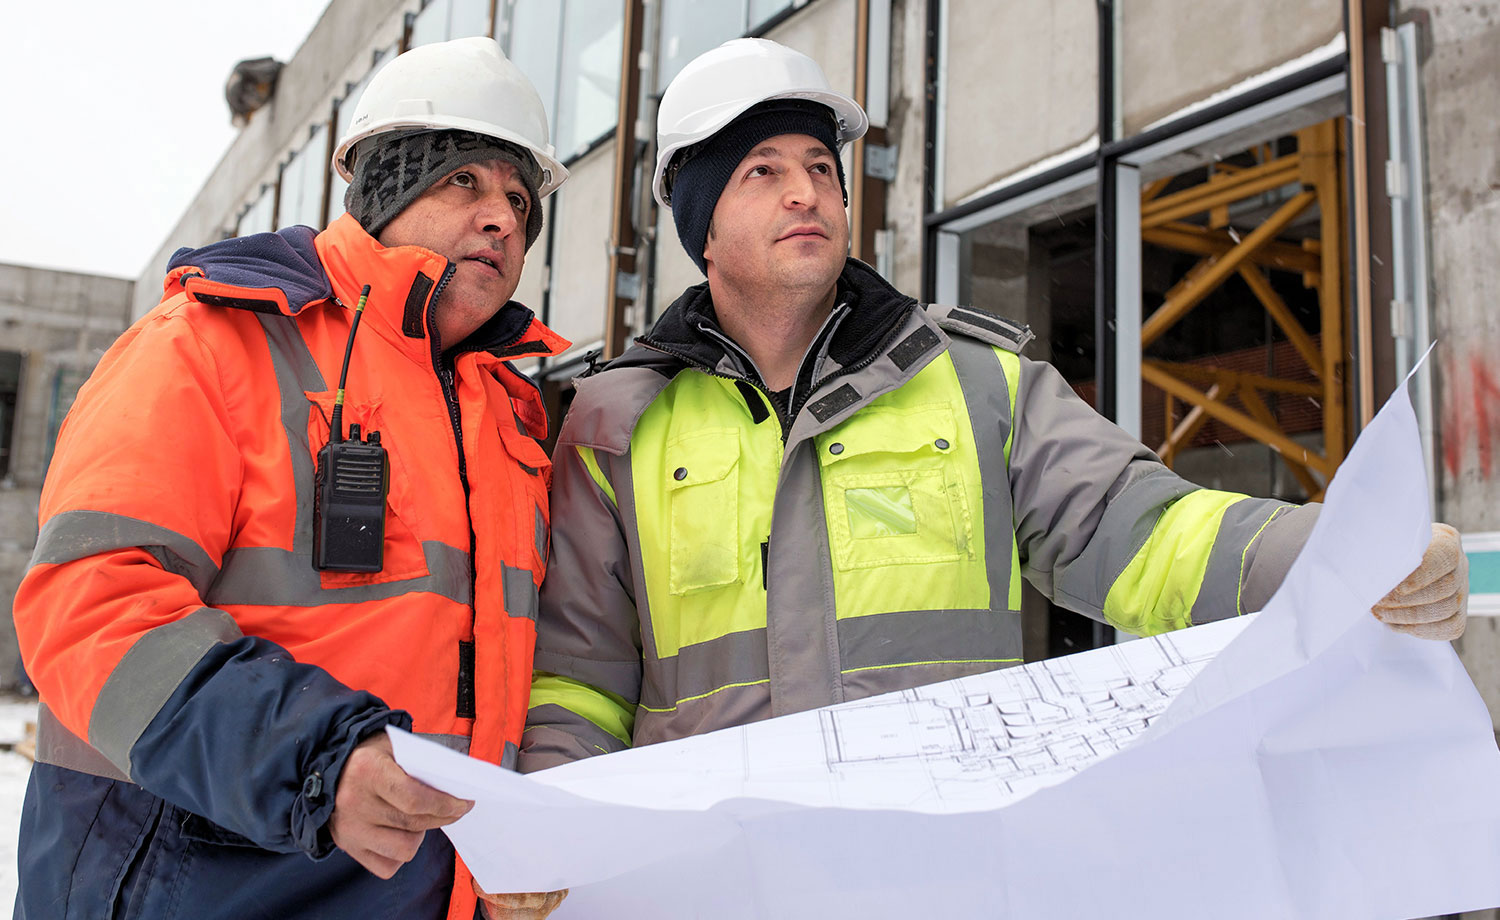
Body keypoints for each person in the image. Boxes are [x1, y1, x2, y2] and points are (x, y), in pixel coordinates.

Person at [518, 38, 1468, 771]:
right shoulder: (617, 424)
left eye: (820, 167)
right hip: (719, 878)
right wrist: (559, 830)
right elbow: (579, 676)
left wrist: (1342, 557)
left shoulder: (974, 381)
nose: (806, 192)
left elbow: (1141, 533)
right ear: (700, 221)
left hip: (942, 868)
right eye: (762, 170)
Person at [14, 37, 568, 920]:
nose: (502, 217)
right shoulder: (209, 342)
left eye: (517, 198)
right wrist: (315, 761)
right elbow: (91, 605)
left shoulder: (511, 416)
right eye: (465, 179)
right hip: (199, 884)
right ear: (386, 178)